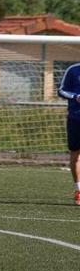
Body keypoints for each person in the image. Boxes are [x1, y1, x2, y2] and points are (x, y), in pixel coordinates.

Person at [56, 62, 80, 205]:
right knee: (76, 153)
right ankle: (78, 190)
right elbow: (61, 90)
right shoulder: (73, 70)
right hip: (76, 118)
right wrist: (76, 97)